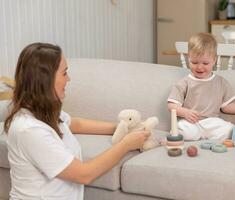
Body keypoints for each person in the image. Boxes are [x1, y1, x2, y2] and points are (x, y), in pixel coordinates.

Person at [4, 42, 150, 200]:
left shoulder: (43, 111)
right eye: (64, 73)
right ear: (46, 79)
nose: (69, 79)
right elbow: (84, 174)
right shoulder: (29, 130)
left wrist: (123, 127)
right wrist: (126, 144)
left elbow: (75, 124)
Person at [167, 32, 235, 141]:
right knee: (182, 129)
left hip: (211, 122)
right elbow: (171, 105)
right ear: (189, 59)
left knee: (229, 129)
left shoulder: (221, 82)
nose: (199, 67)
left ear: (214, 60)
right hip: (191, 122)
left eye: (205, 63)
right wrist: (185, 112)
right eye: (194, 62)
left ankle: (210, 140)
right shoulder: (184, 83)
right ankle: (188, 136)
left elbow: (226, 107)